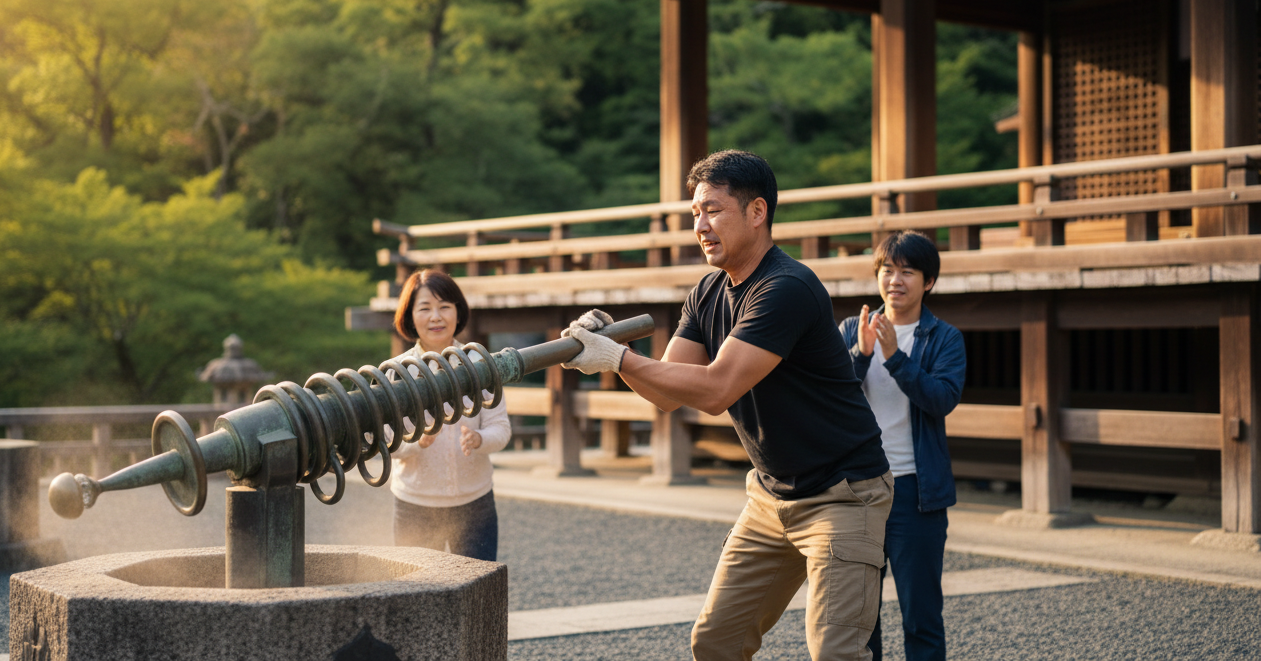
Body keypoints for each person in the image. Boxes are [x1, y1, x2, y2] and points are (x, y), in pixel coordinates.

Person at [560, 150, 893, 661]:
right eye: (695, 212)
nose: (700, 225)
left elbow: (716, 391)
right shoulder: (708, 290)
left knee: (837, 653)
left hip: (844, 495)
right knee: (716, 643)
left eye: (713, 210)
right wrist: (614, 358)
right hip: (770, 497)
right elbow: (670, 393)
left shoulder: (786, 288)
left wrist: (619, 357)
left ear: (757, 212)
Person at [838, 231, 966, 661]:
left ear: (927, 281)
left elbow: (941, 400)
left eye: (907, 271)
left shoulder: (944, 338)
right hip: (858, 490)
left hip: (916, 493)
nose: (895, 279)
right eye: (887, 270)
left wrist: (894, 358)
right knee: (859, 617)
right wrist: (860, 353)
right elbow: (830, 400)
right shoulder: (849, 331)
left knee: (921, 615)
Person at [387, 269, 511, 561]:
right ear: (409, 316)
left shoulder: (481, 364)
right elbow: (385, 438)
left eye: (445, 307)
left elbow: (501, 428)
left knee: (477, 594)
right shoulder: (395, 372)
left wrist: (480, 439)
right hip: (414, 505)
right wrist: (419, 441)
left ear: (458, 312)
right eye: (425, 308)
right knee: (418, 596)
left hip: (475, 503)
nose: (436, 317)